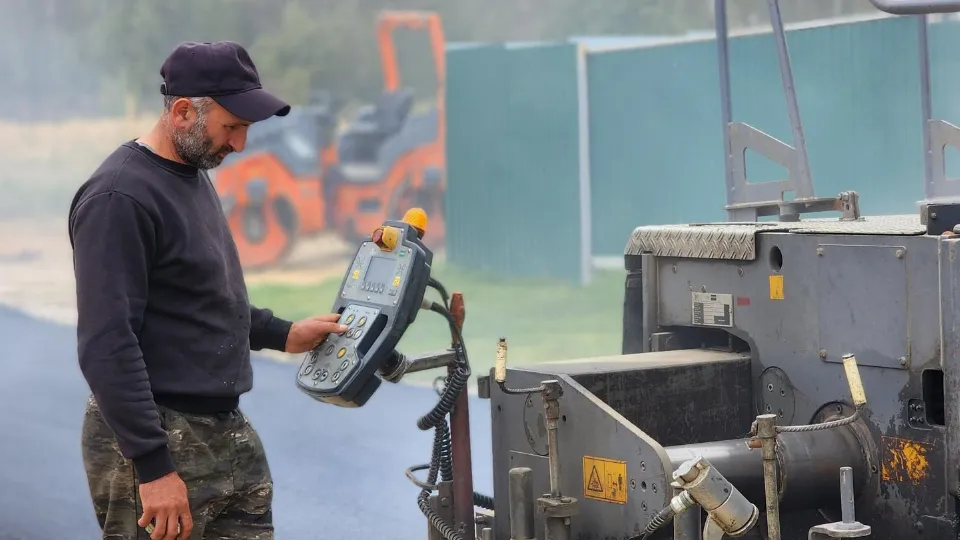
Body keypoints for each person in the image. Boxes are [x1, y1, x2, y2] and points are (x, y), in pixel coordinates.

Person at [68, 41, 348, 540]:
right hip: (155, 439)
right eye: (232, 127)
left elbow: (200, 296)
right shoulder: (119, 198)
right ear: (182, 112)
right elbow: (106, 343)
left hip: (224, 429)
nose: (240, 145)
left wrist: (284, 334)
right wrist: (154, 467)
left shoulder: (191, 175)